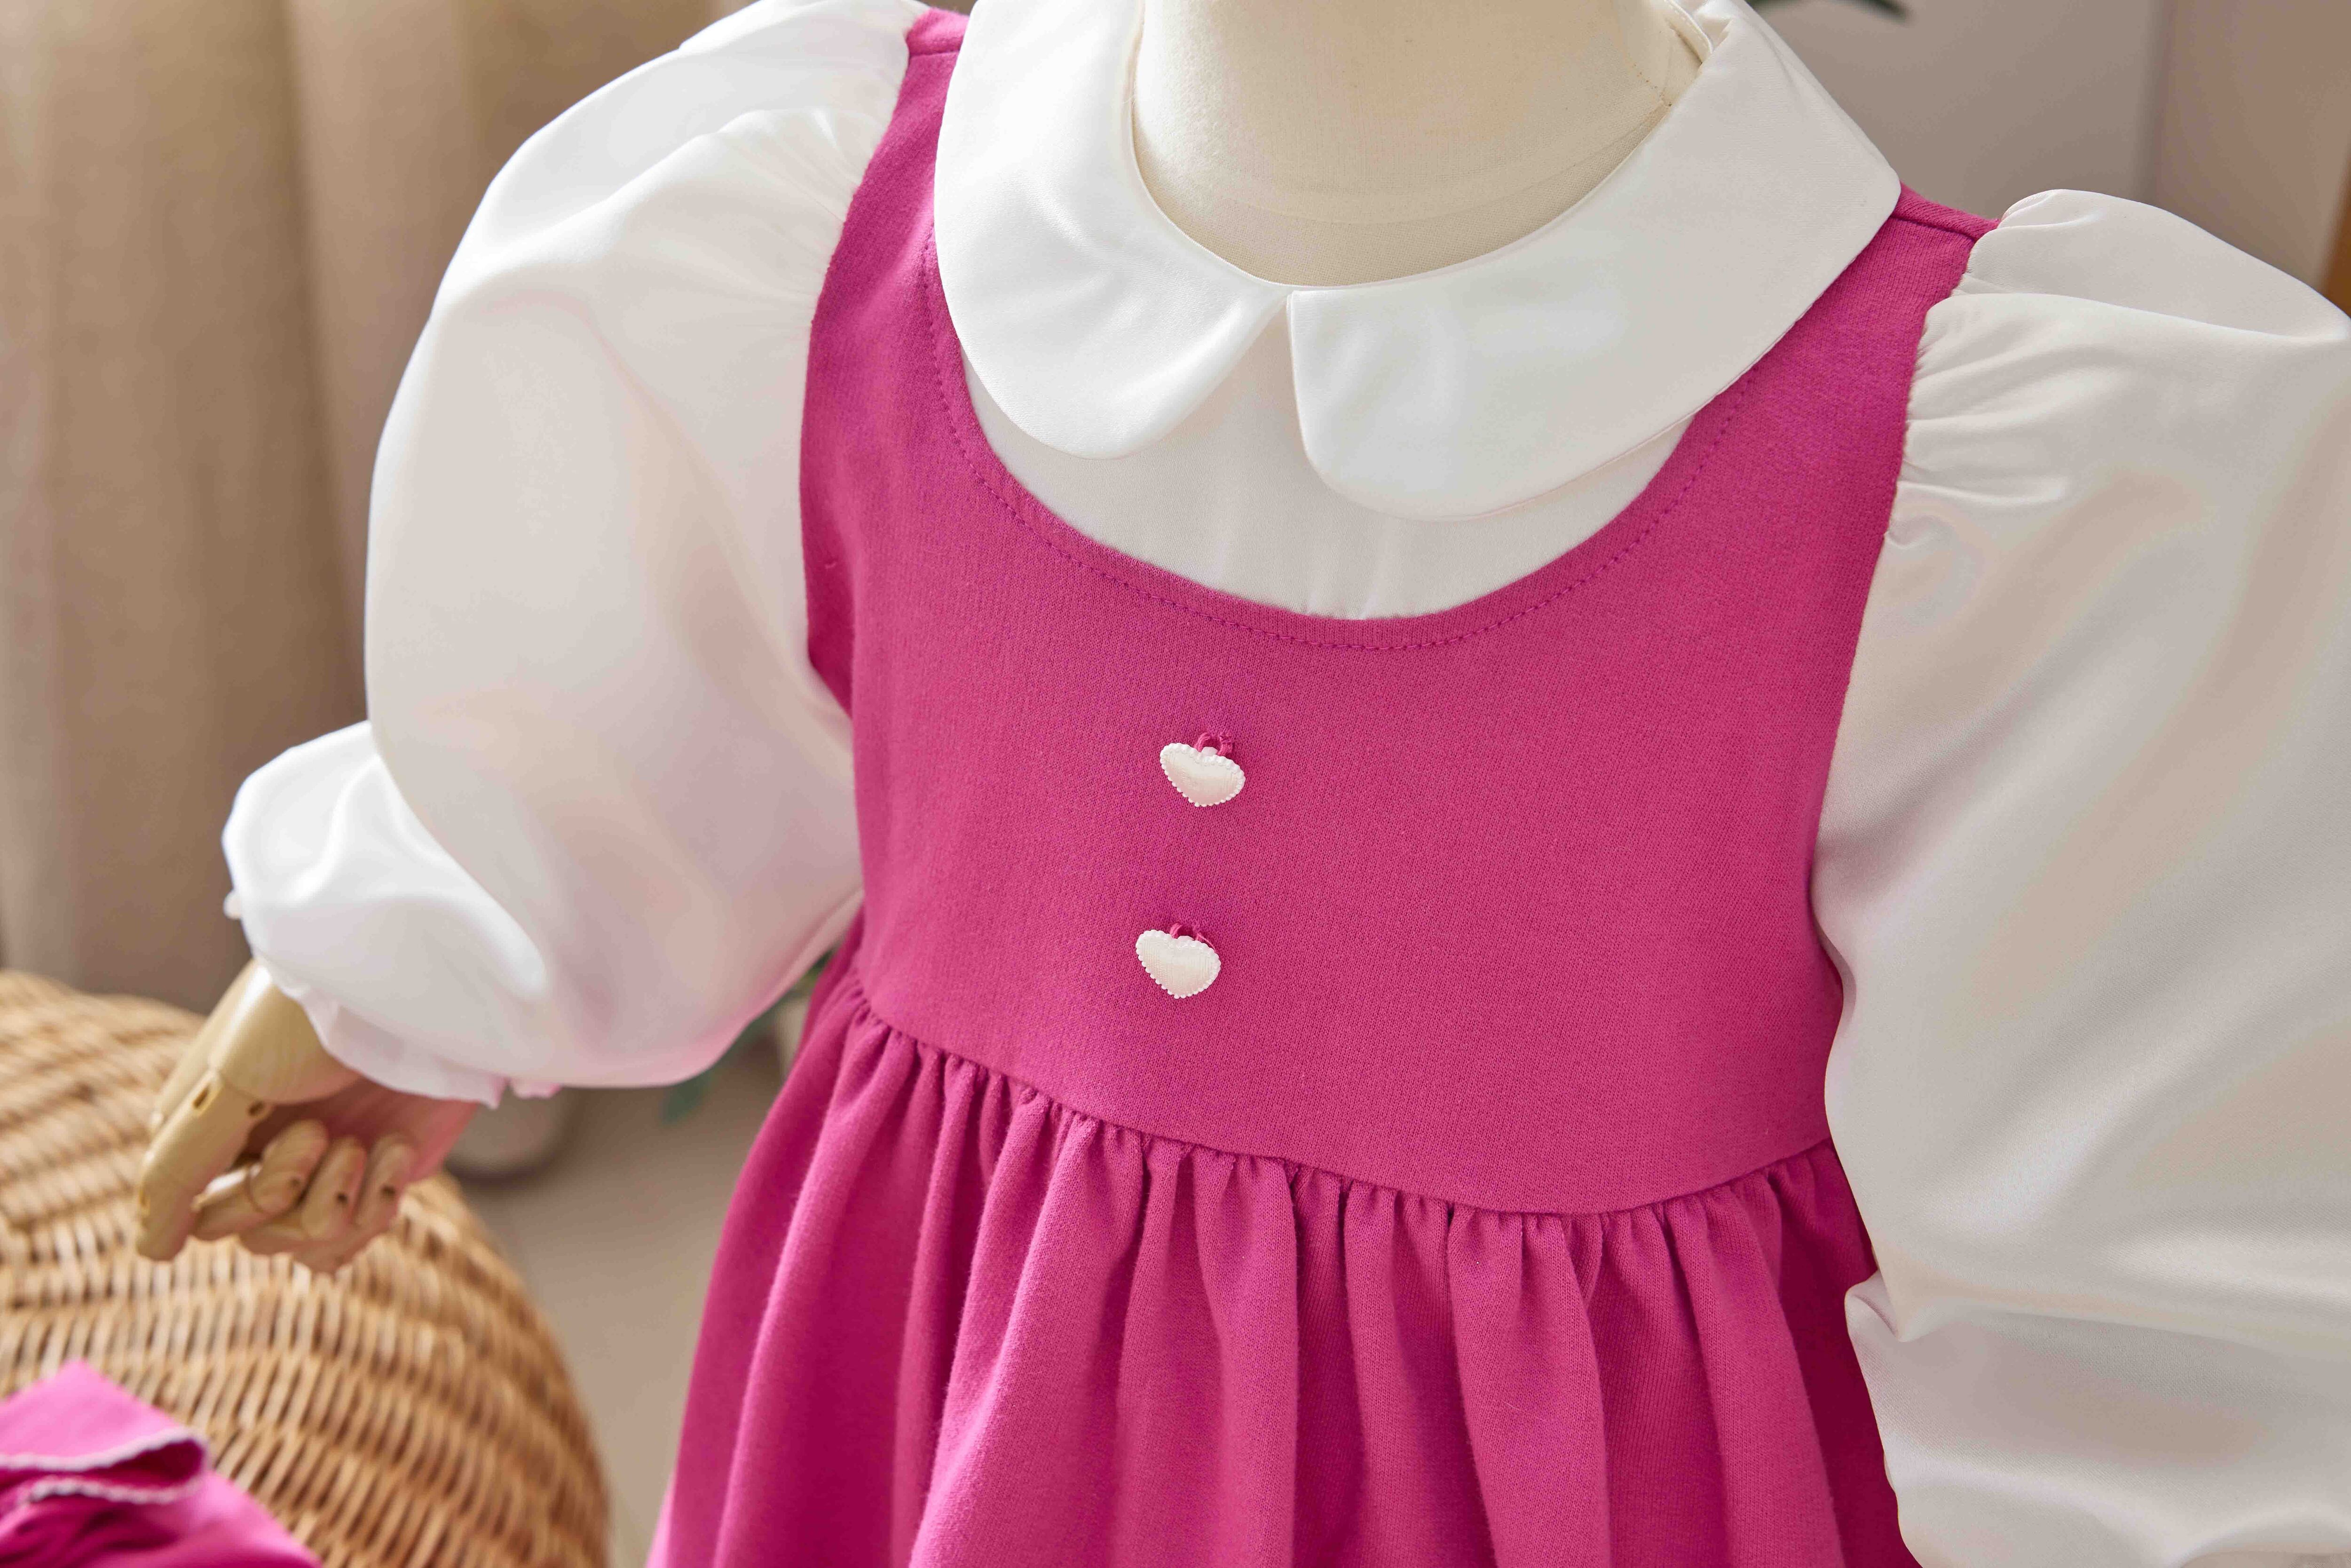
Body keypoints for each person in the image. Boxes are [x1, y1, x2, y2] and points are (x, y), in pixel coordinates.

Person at [138, 0, 2351, 1562]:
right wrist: (411, 965)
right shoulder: (814, 229)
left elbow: (2139, 1295)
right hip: (946, 1392)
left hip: (1599, 1491)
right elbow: (660, 707)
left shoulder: (1989, 481)